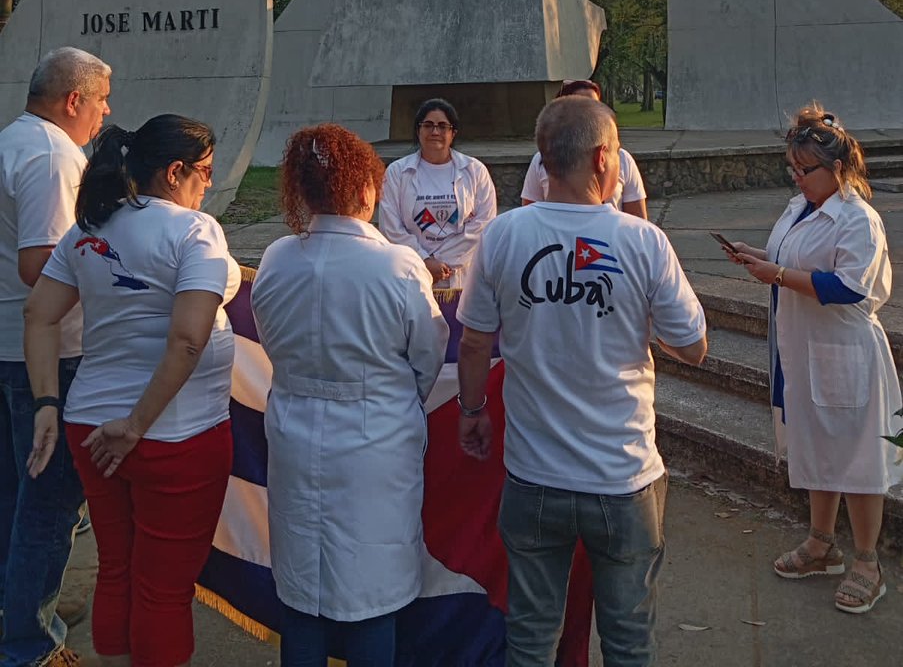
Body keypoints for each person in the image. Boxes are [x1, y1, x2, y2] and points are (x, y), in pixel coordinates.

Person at [456, 97, 706, 667]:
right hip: (624, 476)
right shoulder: (643, 242)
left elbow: (475, 340)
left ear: (545, 161)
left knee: (530, 636)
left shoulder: (502, 236)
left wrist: (473, 410)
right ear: (601, 159)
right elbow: (692, 346)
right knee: (628, 641)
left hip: (534, 475)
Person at [24, 115, 239, 667]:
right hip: (174, 434)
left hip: (89, 422)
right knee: (163, 589)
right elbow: (188, 339)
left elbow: (39, 315)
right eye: (206, 172)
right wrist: (137, 425)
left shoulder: (89, 227)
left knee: (117, 566)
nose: (208, 185)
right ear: (175, 171)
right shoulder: (194, 231)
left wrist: (47, 403)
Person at [250, 124, 448, 667]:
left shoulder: (276, 260)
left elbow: (269, 337)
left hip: (294, 429)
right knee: (370, 593)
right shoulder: (397, 266)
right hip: (375, 442)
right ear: (366, 190)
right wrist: (386, 396)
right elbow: (427, 354)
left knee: (303, 591)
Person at [728, 105, 903, 615]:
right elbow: (787, 259)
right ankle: (821, 544)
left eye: (807, 170)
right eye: (794, 168)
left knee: (858, 459)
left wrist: (778, 275)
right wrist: (756, 257)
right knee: (815, 447)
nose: (798, 178)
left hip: (845, 353)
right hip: (802, 350)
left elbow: (849, 287)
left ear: (839, 169)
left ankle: (868, 562)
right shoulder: (798, 208)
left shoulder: (857, 218)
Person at [0, 46, 111, 667]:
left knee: (15, 495)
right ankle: (31, 644)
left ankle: (21, 605)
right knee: (48, 503)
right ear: (74, 100)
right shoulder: (51, 155)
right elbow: (40, 263)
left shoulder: (13, 139)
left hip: (11, 347)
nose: (105, 112)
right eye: (100, 99)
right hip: (49, 357)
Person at [378, 98, 496, 344]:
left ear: (453, 132)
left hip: (461, 275)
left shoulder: (475, 171)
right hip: (412, 272)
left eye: (442, 126)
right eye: (428, 125)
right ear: (418, 130)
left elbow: (483, 224)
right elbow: (391, 227)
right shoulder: (397, 173)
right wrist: (423, 261)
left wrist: (443, 265)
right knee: (416, 342)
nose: (435, 131)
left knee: (459, 344)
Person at [520, 80, 648, 218]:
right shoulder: (541, 160)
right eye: (583, 105)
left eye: (596, 105)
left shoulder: (622, 159)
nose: (590, 112)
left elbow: (638, 217)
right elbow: (530, 212)